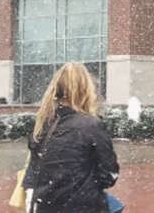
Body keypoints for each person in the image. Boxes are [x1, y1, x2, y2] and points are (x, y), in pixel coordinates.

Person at [22, 62, 119, 213]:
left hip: (45, 206)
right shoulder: (91, 126)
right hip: (84, 206)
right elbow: (109, 175)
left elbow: (33, 172)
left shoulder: (43, 125)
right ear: (86, 90)